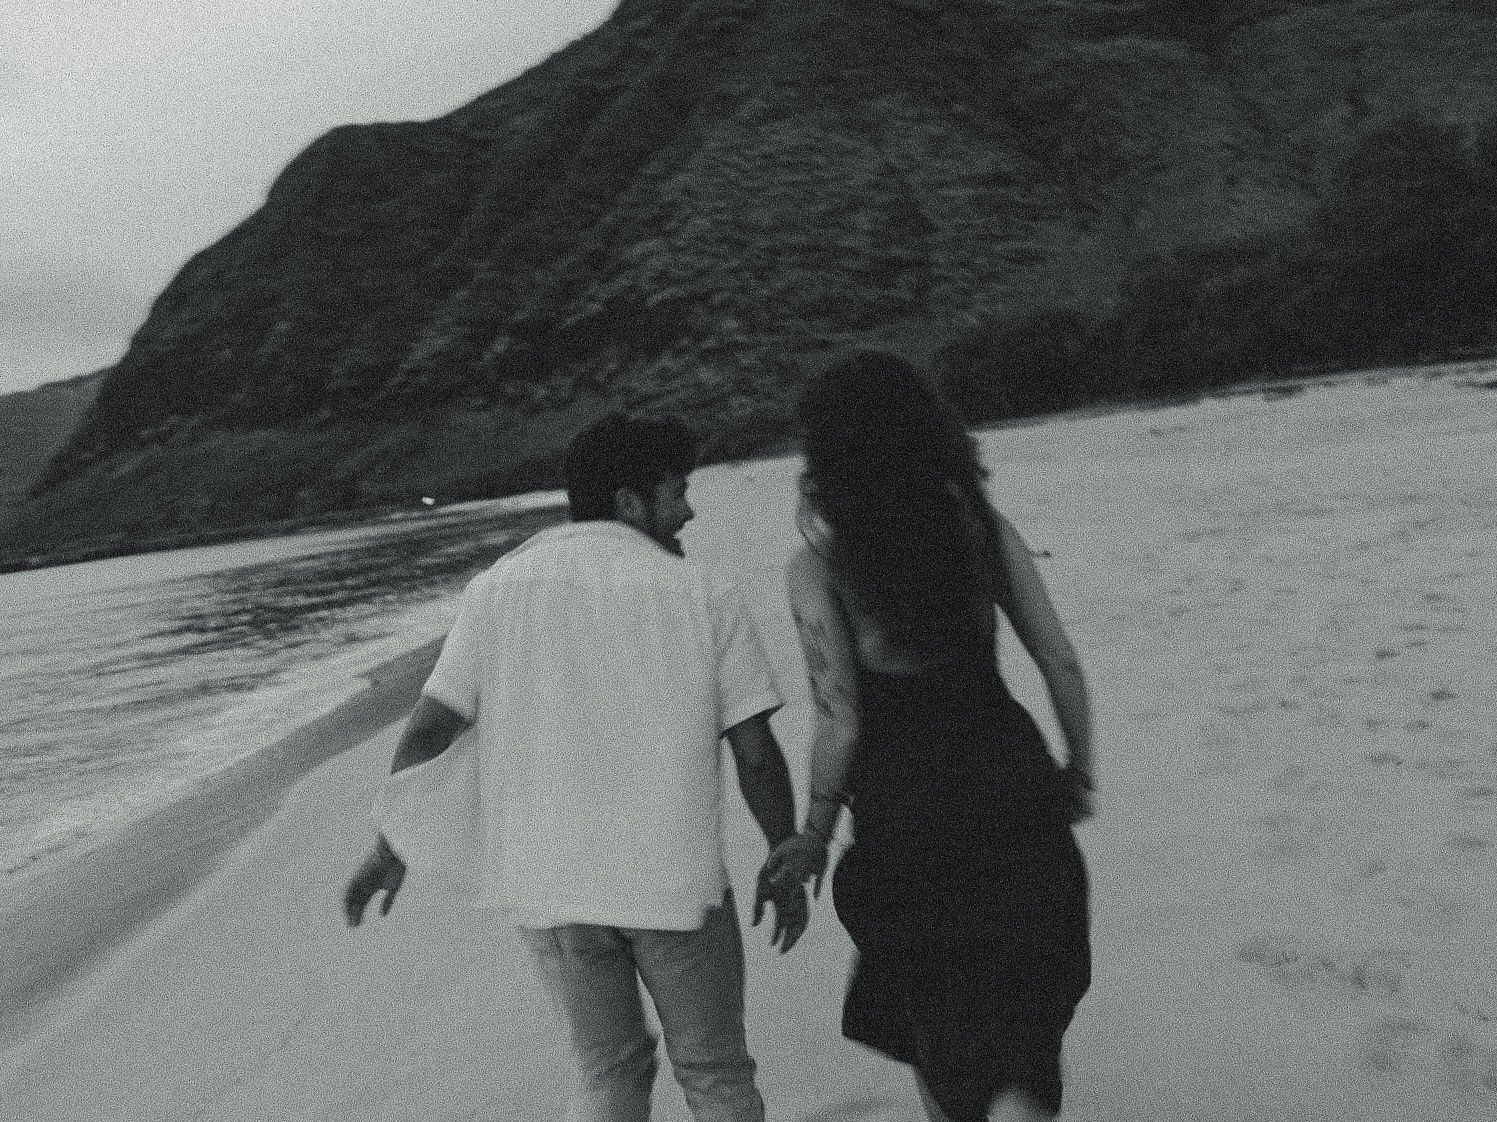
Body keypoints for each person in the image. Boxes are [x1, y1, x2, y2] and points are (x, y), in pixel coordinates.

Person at [343, 411, 809, 1122]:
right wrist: (783, 850)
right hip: (672, 880)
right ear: (629, 502)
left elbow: (431, 729)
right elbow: (755, 752)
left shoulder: (499, 589)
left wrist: (391, 845)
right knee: (714, 1072)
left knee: (608, 1074)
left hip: (553, 886)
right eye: (677, 492)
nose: (688, 512)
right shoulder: (701, 593)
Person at [763, 352, 1096, 1122]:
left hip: (905, 804)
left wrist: (814, 834)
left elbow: (838, 718)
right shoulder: (979, 529)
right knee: (1023, 982)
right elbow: (1058, 659)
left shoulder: (817, 568)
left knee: (933, 1003)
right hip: (1008, 769)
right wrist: (1077, 769)